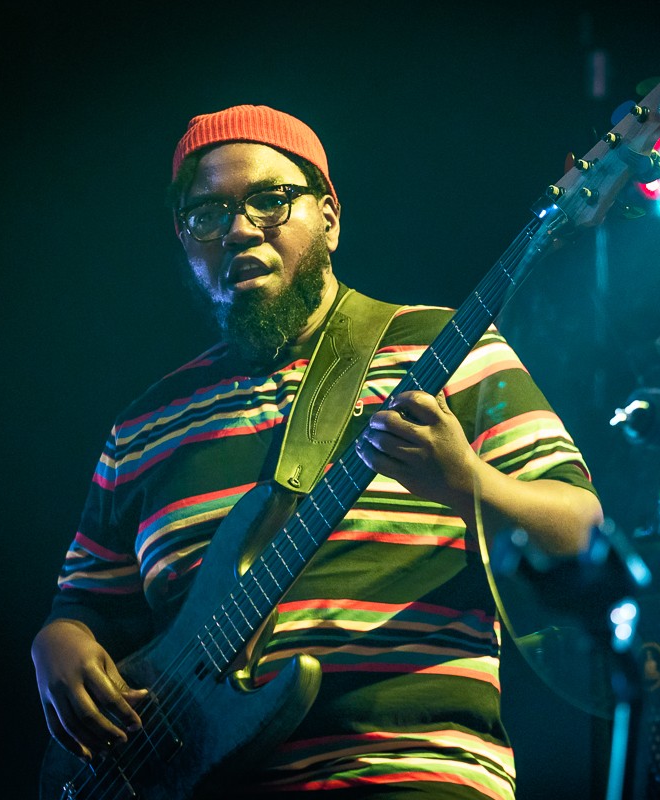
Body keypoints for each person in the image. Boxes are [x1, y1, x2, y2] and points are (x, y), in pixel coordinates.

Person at [31, 103, 604, 799]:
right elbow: (86, 605)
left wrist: (465, 483)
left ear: (329, 217)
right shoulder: (145, 427)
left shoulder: (444, 350)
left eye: (270, 200)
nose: (240, 229)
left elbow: (584, 535)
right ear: (185, 241)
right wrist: (56, 644)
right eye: (207, 213)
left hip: (406, 770)